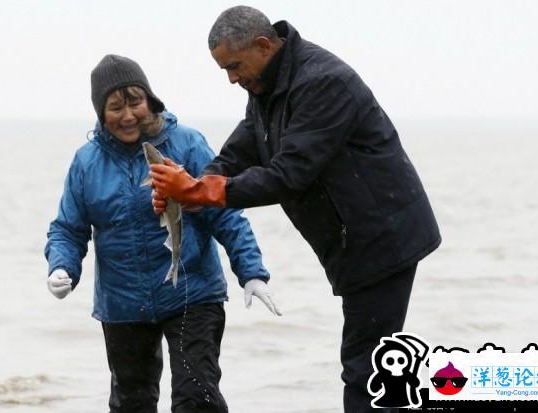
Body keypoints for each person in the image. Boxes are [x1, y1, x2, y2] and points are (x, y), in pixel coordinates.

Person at [149, 6, 441, 413]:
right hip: (350, 241)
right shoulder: (266, 89)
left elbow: (290, 174)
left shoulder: (324, 82)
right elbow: (239, 153)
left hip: (382, 238)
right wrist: (189, 191)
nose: (232, 79)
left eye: (234, 66)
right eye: (224, 71)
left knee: (366, 370)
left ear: (263, 46)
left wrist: (201, 191)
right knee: (368, 364)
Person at [44, 54, 281, 413]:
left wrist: (251, 271)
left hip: (192, 292)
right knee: (131, 403)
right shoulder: (86, 162)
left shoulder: (186, 144)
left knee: (196, 397)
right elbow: (68, 229)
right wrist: (62, 267)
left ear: (151, 101)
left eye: (135, 102)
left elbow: (225, 213)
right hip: (123, 304)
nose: (128, 116)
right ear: (100, 113)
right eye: (115, 107)